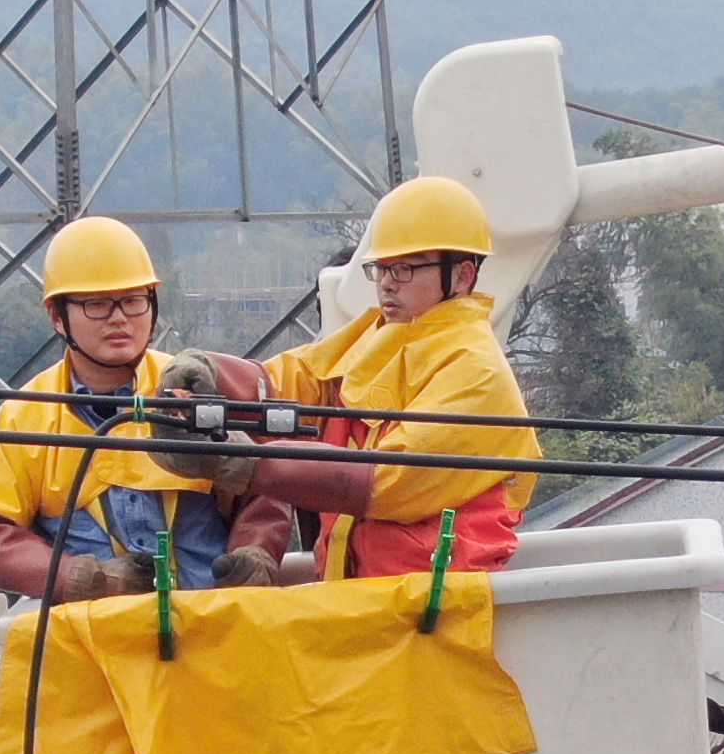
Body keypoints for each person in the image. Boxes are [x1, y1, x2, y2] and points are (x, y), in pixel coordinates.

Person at [163, 176, 543, 580]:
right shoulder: (376, 338)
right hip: (369, 595)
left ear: (463, 276)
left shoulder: (476, 371)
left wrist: (247, 464)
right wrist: (213, 375)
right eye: (380, 269)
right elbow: (301, 381)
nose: (387, 284)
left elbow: (387, 480)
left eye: (405, 269)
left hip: (435, 611)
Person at [0, 217, 299, 600]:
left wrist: (256, 549)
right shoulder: (28, 416)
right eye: (97, 305)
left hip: (214, 630)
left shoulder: (190, 389)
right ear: (57, 317)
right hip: (93, 645)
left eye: (133, 301)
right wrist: (78, 578)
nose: (119, 318)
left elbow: (270, 473)